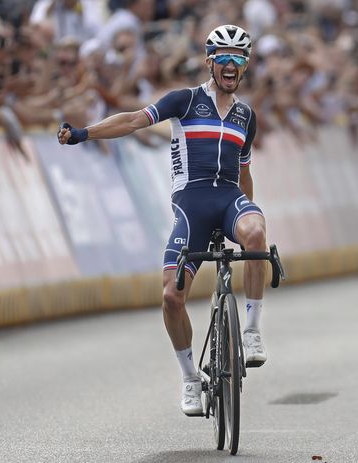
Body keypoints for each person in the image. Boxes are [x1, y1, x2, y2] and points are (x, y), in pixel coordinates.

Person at [57, 24, 268, 416]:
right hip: (191, 207)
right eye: (223, 57)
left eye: (238, 58)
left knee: (257, 232)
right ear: (209, 62)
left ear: (245, 66)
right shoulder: (185, 101)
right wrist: (84, 133)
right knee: (172, 296)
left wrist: (247, 220)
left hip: (229, 201)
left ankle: (252, 333)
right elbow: (134, 120)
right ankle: (190, 378)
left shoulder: (245, 115)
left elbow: (244, 172)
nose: (230, 64)